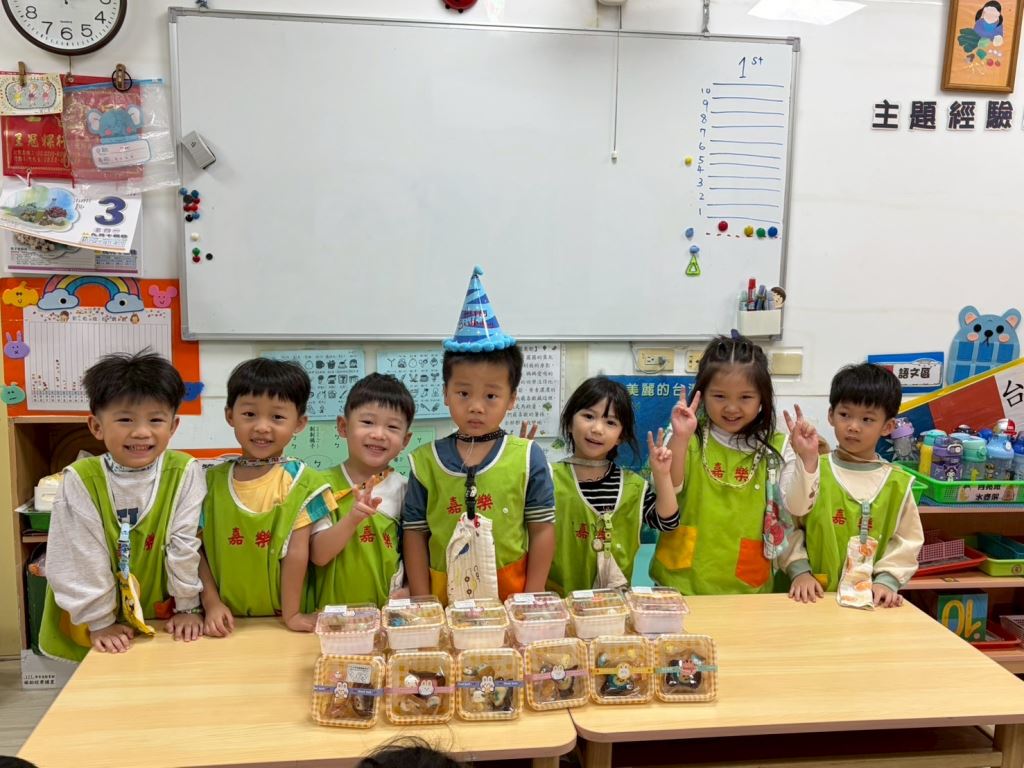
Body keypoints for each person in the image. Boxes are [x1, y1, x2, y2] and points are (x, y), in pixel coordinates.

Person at [403, 267, 555, 602]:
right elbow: (414, 533)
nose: (475, 407)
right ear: (445, 393)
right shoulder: (424, 462)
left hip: (510, 599)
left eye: (490, 395)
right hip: (442, 601)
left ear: (511, 399)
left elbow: (542, 528)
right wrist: (422, 600)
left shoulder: (527, 457)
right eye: (463, 393)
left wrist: (532, 597)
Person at [41, 351, 205, 660]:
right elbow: (80, 557)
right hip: (98, 621)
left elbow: (184, 543)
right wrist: (100, 622)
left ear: (173, 426)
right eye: (125, 419)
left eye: (156, 420)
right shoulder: (80, 478)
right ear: (96, 426)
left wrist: (187, 606)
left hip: (165, 614)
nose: (141, 432)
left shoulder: (185, 471)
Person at [652, 333, 821, 594]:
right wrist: (681, 438)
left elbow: (796, 507)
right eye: (720, 396)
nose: (732, 408)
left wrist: (807, 459)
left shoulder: (777, 446)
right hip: (680, 585)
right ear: (702, 394)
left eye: (745, 397)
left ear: (762, 398)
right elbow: (669, 489)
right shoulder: (686, 434)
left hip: (746, 592)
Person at [199, 358, 335, 634]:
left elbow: (298, 552)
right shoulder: (207, 482)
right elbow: (195, 549)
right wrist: (211, 603)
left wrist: (292, 615)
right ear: (230, 415)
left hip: (284, 624)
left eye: (277, 417)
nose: (262, 427)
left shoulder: (304, 483)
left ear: (299, 423)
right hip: (224, 623)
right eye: (250, 414)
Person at [783, 363, 924, 607]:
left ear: (887, 427)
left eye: (867, 419)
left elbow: (907, 540)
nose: (853, 426)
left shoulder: (897, 484)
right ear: (831, 415)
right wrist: (800, 571)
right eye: (845, 415)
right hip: (811, 598)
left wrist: (887, 581)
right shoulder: (814, 469)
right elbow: (788, 524)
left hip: (872, 601)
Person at [546, 376, 678, 594]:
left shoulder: (634, 487)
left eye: (610, 422)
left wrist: (662, 474)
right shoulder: (547, 478)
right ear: (569, 422)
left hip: (614, 604)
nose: (597, 429)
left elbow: (668, 522)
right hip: (560, 601)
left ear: (620, 436)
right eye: (589, 416)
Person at [311, 373, 415, 607]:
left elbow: (415, 551)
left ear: (405, 440)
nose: (378, 434)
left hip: (388, 614)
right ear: (343, 426)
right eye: (367, 422)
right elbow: (318, 555)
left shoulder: (406, 489)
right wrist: (352, 519)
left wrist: (410, 588)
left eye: (392, 427)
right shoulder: (320, 484)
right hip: (331, 615)